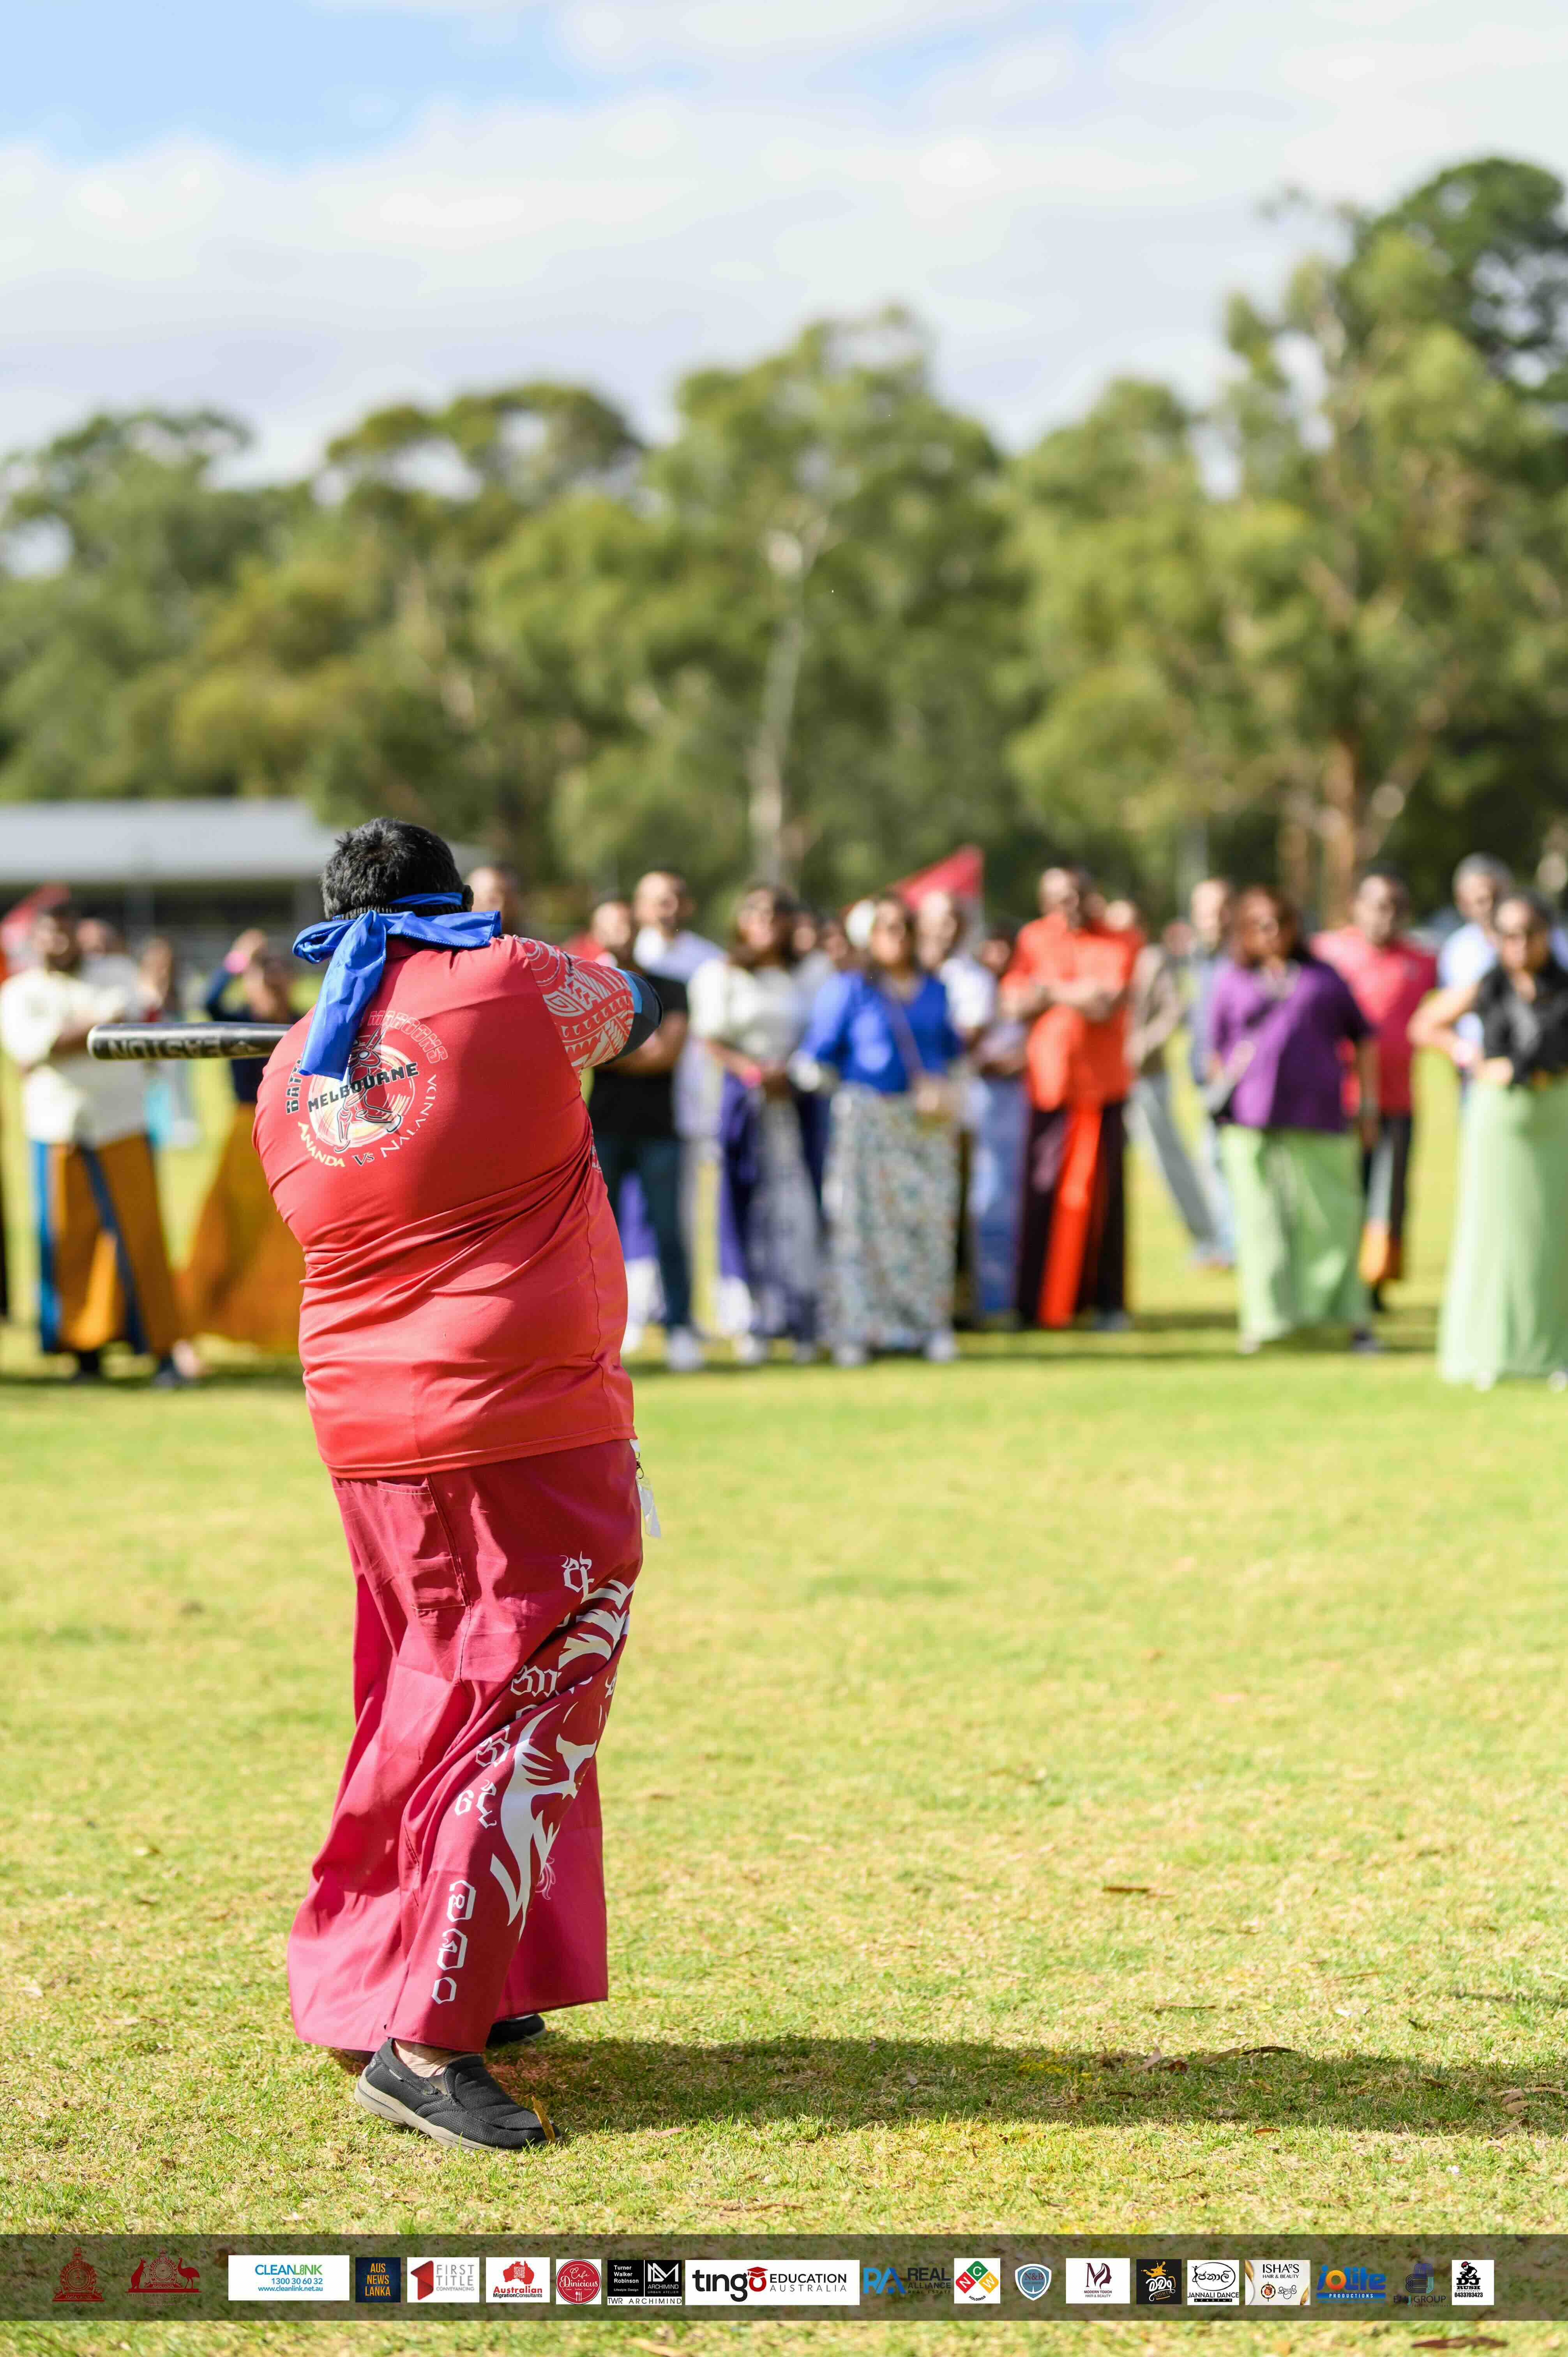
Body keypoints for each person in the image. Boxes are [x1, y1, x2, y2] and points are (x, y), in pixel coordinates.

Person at [251, 817, 662, 2150]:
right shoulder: (515, 979)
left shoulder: (288, 1068)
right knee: (534, 1689)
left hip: (365, 1419)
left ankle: (425, 1973)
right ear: (456, 903)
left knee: (430, 1692)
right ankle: (427, 2038)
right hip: (515, 1409)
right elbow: (637, 1009)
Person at [0, 903, 189, 1385]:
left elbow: (139, 1021)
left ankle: (164, 1350)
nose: (58, 942)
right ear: (34, 940)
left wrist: (86, 1030)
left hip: (122, 1121)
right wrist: (95, 1024)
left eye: (65, 932)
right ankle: (85, 1351)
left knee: (142, 1238)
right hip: (57, 1126)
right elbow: (37, 1047)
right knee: (70, 1245)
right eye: (48, 934)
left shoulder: (116, 972)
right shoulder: (19, 992)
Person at [1207, 887, 1378, 1354]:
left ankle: (1344, 1319)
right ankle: (1266, 1321)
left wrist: (1367, 1105)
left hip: (1319, 1114)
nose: (1272, 933)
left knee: (1331, 1219)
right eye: (1260, 924)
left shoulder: (1323, 977)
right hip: (1250, 1119)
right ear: (1244, 930)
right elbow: (1215, 1048)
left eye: (1280, 922)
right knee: (1261, 1224)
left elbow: (1363, 1037)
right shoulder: (1231, 980)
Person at [795, 892, 962, 1367]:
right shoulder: (851, 988)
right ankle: (858, 1329)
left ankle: (927, 1325)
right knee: (859, 1225)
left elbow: (952, 1048)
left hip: (925, 1122)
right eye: (884, 928)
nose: (895, 936)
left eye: (902, 926)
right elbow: (817, 1053)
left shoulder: (935, 987)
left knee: (927, 1224)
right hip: (867, 1118)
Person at [1412, 889, 1568, 1386]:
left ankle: (1553, 1351)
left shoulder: (1563, 987)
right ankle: (1489, 1350)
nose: (1520, 944)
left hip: (1556, 1117)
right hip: (1498, 1122)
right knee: (1494, 1235)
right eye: (1508, 935)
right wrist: (1467, 1054)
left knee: (1553, 1237)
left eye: (1530, 933)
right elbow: (1425, 1025)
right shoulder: (1487, 987)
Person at [1001, 866, 1140, 1331]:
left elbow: (1105, 1002)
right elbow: (1014, 1002)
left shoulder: (1118, 941)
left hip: (1102, 1090)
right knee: (1040, 1194)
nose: (1070, 905)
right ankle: (1035, 1303)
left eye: (1078, 895)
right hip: (1049, 1087)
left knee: (1105, 1200)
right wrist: (1069, 993)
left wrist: (1049, 990)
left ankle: (1106, 1302)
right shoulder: (1033, 939)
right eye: (1059, 898)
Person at [689, 883, 821, 1364]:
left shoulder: (807, 976)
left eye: (775, 913)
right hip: (744, 1103)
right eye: (755, 912)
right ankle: (751, 1319)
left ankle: (800, 1315)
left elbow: (821, 1032)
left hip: (797, 1103)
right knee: (743, 1204)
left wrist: (792, 1070)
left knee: (800, 1207)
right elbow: (711, 1039)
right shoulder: (720, 975)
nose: (766, 921)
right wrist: (753, 1071)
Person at [587, 897, 703, 1374]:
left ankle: (680, 1327)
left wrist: (613, 1047)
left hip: (660, 1130)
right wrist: (629, 1048)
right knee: (597, 1237)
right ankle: (603, 1330)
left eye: (626, 920)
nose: (621, 928)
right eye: (609, 921)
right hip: (604, 1129)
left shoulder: (670, 987)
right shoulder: (586, 989)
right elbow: (586, 1050)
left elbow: (665, 1055)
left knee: (670, 1231)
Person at [1313, 868, 1438, 1306]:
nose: (1386, 916)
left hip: (1397, 1097)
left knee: (1389, 1195)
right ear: (1357, 907)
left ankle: (1374, 1286)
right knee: (1341, 1191)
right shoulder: (1329, 953)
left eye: (1395, 907)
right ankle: (1337, 1281)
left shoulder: (1422, 962)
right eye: (1378, 905)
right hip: (1338, 1097)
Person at [179, 931, 306, 1353]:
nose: (271, 983)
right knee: (230, 1231)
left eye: (278, 975)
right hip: (245, 1136)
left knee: (285, 1236)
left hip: (293, 1134)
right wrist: (236, 961)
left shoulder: (303, 1020)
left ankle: (278, 1322)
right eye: (261, 975)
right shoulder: (237, 1019)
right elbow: (208, 1000)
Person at [629, 869, 722, 1341]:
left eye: (673, 899)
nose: (664, 908)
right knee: (628, 1214)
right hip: (631, 1109)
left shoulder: (708, 960)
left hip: (688, 1102)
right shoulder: (626, 957)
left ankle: (682, 1311)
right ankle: (635, 1309)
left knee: (679, 1215)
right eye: (655, 900)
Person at [1110, 898, 1221, 1262]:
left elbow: (1174, 1011)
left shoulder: (1152, 961)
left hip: (1147, 1077)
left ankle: (1208, 1237)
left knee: (1167, 1158)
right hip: (1106, 1079)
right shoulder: (1106, 959)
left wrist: (1142, 1045)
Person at [916, 889, 996, 1325]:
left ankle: (959, 1305)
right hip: (901, 1110)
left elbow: (961, 1042)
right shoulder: (907, 976)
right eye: (935, 919)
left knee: (956, 1212)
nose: (944, 929)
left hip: (954, 1110)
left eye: (951, 920)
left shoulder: (972, 980)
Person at [968, 921, 1028, 1319]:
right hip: (977, 1099)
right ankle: (986, 1296)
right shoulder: (971, 991)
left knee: (1007, 1198)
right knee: (986, 1199)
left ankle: (1004, 1297)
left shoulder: (1024, 995)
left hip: (1015, 1099)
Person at [1186, 876, 1236, 1265]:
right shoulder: (1199, 960)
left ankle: (1236, 1244)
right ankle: (1225, 1242)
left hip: (1238, 1080)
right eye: (1205, 912)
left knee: (1232, 1162)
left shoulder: (1242, 959)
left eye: (1220, 909)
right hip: (1207, 1081)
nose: (1214, 919)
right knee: (1214, 1161)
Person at [466, 862, 526, 937]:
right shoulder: (455, 944)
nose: (501, 907)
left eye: (508, 902)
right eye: (492, 900)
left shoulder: (532, 946)